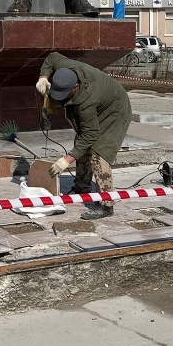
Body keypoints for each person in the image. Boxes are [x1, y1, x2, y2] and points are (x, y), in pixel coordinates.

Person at [37, 52, 132, 220]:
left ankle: (106, 204)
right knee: (81, 146)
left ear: (75, 88)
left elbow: (90, 134)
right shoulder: (64, 67)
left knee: (98, 153)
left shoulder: (87, 101)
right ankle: (82, 188)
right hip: (100, 105)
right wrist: (44, 77)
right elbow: (51, 58)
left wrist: (66, 160)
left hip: (116, 111)